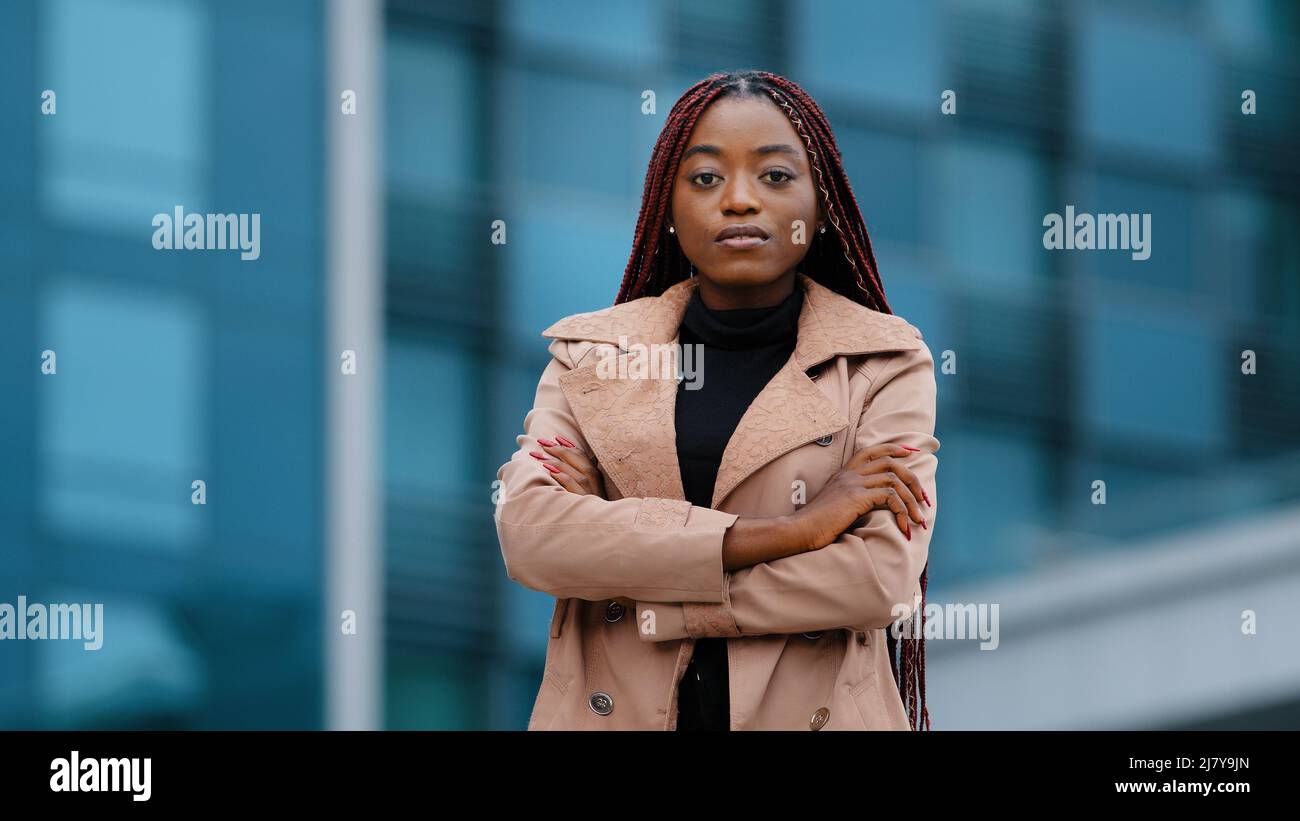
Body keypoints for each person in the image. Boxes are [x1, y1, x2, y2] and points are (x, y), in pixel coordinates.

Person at [495, 69, 938, 731]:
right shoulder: (593, 355)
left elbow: (877, 577)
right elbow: (531, 533)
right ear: (665, 209)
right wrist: (792, 532)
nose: (738, 200)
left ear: (822, 208)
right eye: (704, 178)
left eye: (776, 176)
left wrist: (668, 600)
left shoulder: (883, 361)